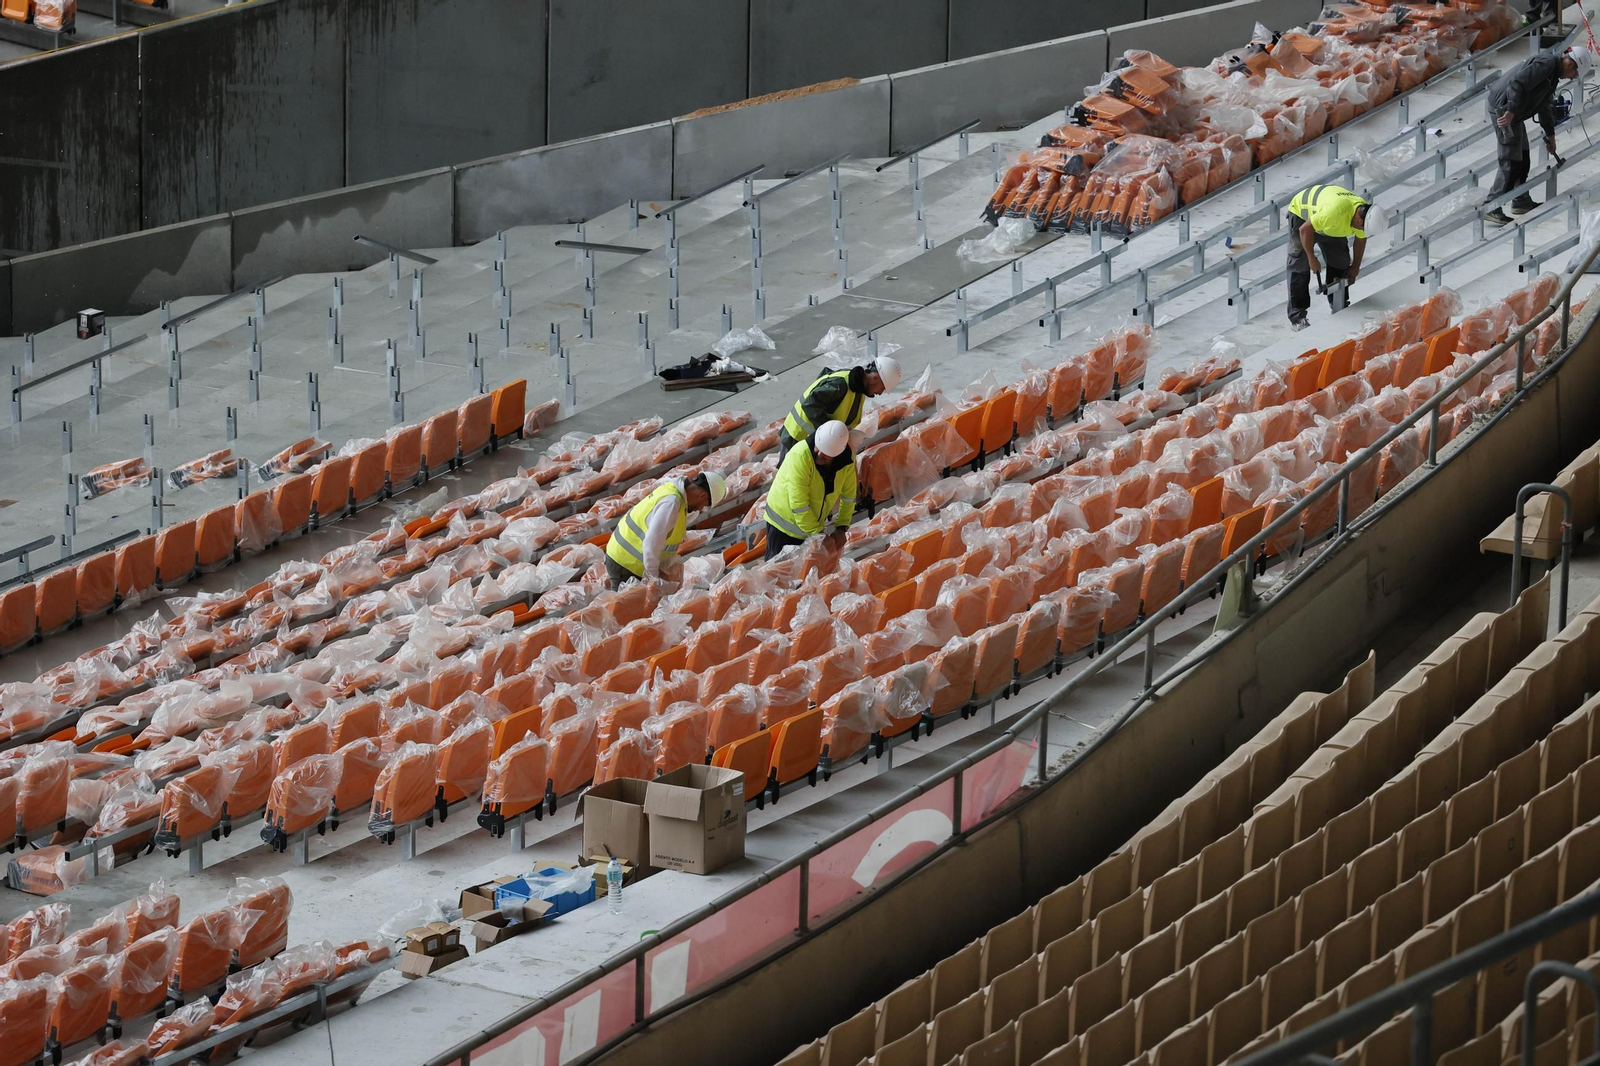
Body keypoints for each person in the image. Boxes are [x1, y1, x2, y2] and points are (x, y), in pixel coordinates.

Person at [1485, 46, 1589, 227]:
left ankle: (1520, 200)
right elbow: (1517, 83)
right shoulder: (1547, 64)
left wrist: (1551, 135)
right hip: (1504, 109)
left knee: (1523, 156)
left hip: (1514, 111)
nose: (1572, 78)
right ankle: (1491, 206)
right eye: (1575, 73)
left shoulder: (1553, 75)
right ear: (1570, 63)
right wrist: (1510, 110)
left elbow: (1544, 105)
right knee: (1511, 159)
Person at [603, 470, 727, 587]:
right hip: (626, 563)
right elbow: (651, 542)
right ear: (702, 495)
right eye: (704, 505)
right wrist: (654, 578)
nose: (700, 509)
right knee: (626, 608)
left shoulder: (674, 492)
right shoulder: (671, 503)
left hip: (626, 560)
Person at [1283, 183, 1380, 331]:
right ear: (1359, 222)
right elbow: (1305, 230)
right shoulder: (1335, 213)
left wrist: (1355, 267)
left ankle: (1338, 302)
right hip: (1303, 217)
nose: (1363, 231)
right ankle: (1298, 317)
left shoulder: (1362, 214)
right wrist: (1311, 258)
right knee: (1299, 264)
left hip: (1329, 223)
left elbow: (1361, 240)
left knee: (1341, 260)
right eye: (1363, 228)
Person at [763, 420, 857, 559]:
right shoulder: (800, 456)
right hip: (783, 523)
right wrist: (818, 535)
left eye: (825, 453)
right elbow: (799, 504)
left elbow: (849, 496)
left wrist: (842, 527)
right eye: (818, 448)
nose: (818, 454)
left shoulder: (846, 461)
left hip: (811, 525)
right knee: (778, 573)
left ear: (837, 454)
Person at [780, 355, 902, 457]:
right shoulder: (840, 385)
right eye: (882, 388)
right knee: (787, 478)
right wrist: (832, 435)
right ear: (875, 378)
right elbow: (810, 405)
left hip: (816, 442)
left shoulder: (858, 390)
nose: (880, 393)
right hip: (796, 437)